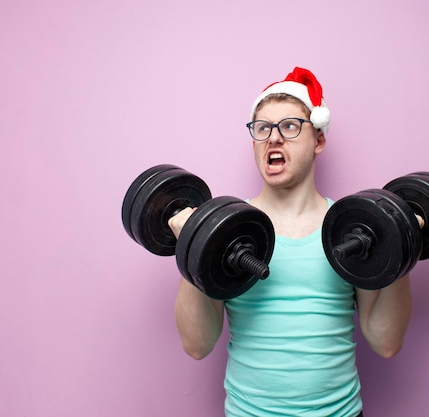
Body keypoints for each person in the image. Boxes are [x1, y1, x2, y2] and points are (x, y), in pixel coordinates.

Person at [169, 67, 412, 417]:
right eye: (262, 128)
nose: (273, 138)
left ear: (319, 140)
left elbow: (386, 342)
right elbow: (197, 345)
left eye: (290, 126)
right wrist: (191, 244)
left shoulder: (353, 229)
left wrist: (399, 241)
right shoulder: (221, 231)